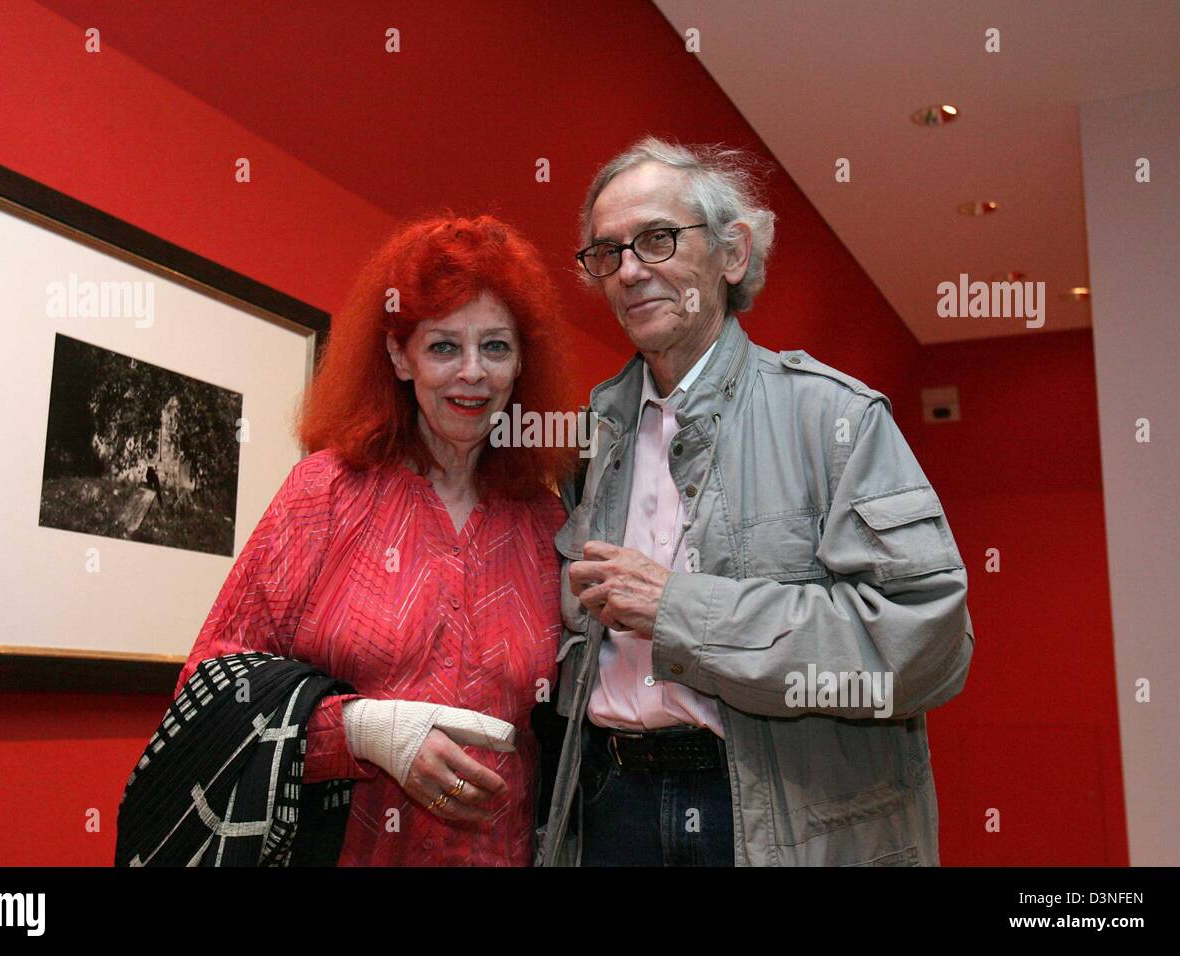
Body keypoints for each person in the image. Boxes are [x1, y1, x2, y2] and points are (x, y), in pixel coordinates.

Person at [539, 137, 975, 867]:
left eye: (656, 239)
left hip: (766, 819)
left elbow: (926, 648)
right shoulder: (588, 441)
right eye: (606, 253)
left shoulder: (834, 418)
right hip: (611, 806)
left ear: (732, 253)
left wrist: (683, 609)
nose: (630, 271)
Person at [175, 214, 574, 866]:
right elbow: (209, 684)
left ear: (522, 360)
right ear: (399, 355)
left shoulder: (544, 525)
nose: (473, 373)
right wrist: (359, 731)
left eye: (496, 347)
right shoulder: (326, 493)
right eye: (444, 346)